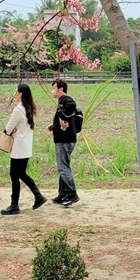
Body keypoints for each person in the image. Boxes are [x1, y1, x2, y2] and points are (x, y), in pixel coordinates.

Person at [0, 83, 47, 215]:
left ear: (20, 94)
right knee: (21, 174)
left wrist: (10, 130)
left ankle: (14, 205)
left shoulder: (18, 109)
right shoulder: (29, 108)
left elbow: (8, 128)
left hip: (18, 147)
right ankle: (38, 196)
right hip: (26, 147)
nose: (14, 94)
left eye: (16, 92)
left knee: (14, 175)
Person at [47, 78, 80, 207]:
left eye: (54, 88)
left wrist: (63, 110)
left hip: (64, 140)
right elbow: (64, 119)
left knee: (63, 168)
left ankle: (72, 195)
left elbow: (71, 105)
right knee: (63, 167)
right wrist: (53, 126)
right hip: (65, 139)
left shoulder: (66, 100)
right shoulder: (62, 102)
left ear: (61, 89)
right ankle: (62, 194)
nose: (52, 91)